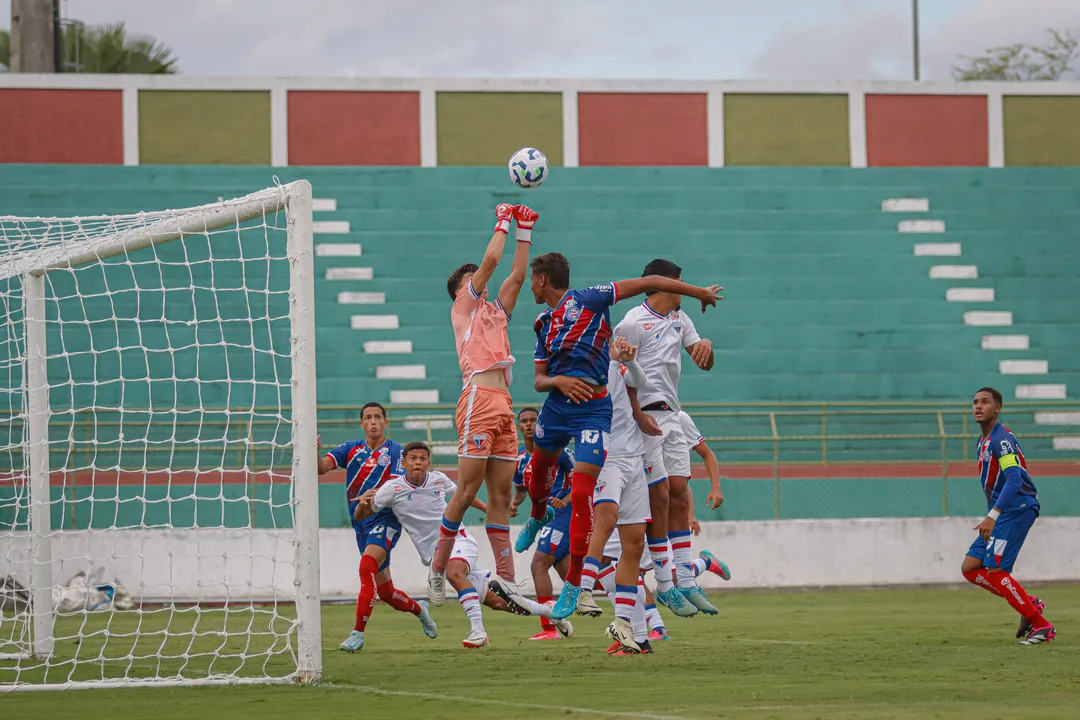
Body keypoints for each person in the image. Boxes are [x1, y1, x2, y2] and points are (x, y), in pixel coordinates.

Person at [520, 251, 721, 619]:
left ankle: (666, 589)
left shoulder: (666, 319)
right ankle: (589, 576)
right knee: (610, 513)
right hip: (608, 423)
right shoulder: (618, 324)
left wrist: (702, 344)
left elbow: (677, 366)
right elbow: (614, 374)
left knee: (665, 501)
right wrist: (631, 405)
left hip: (653, 423)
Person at [355, 442, 573, 648]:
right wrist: (362, 504)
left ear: (429, 463)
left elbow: (465, 496)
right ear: (404, 463)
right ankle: (551, 613)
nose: (418, 462)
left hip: (459, 540)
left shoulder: (438, 480)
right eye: (413, 458)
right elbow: (363, 513)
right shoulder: (391, 489)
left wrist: (490, 510)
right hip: (435, 554)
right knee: (498, 602)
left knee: (453, 572)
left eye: (423, 458)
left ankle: (478, 632)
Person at [427, 204, 537, 606]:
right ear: (461, 288)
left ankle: (506, 579)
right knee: (467, 488)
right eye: (471, 278)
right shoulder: (463, 309)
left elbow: (518, 275)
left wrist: (524, 229)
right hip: (477, 398)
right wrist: (503, 219)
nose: (480, 280)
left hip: (503, 402)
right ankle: (438, 569)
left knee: (501, 496)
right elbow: (493, 259)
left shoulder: (495, 312)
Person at [615, 258, 720, 615]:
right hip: (644, 418)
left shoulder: (681, 318)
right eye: (679, 283)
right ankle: (665, 582)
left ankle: (687, 580)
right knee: (658, 495)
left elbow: (702, 362)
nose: (682, 290)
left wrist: (706, 345)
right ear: (662, 285)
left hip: (673, 415)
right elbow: (620, 372)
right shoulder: (632, 322)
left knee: (678, 492)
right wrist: (636, 413)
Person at [317, 402, 436, 653]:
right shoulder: (350, 449)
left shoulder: (396, 452)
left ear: (385, 423)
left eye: (378, 417)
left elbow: (393, 489)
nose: (373, 421)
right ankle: (419, 609)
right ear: (362, 424)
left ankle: (357, 634)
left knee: (366, 566)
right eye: (368, 418)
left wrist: (372, 498)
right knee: (386, 593)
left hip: (385, 519)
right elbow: (321, 468)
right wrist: (313, 452)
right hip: (360, 522)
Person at [569, 337, 653, 653]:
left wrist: (628, 360)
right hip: (604, 456)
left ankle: (625, 626)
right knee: (605, 520)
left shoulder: (618, 365)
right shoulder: (581, 373)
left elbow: (640, 381)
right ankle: (584, 589)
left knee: (634, 543)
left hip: (633, 459)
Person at [962, 387, 1055, 645]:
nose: (978, 406)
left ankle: (1042, 626)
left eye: (985, 402)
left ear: (998, 408)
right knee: (970, 568)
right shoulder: (983, 441)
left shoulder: (1001, 439)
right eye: (975, 402)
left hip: (1017, 510)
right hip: (1002, 513)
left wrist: (993, 515)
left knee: (995, 569)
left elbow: (1014, 479)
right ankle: (1029, 604)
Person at [508, 407, 576, 640]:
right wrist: (514, 504)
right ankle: (627, 592)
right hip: (543, 517)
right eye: (524, 421)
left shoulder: (558, 450)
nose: (528, 424)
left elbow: (582, 476)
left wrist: (565, 499)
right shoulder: (519, 458)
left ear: (540, 424)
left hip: (563, 515)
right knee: (570, 573)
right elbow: (520, 488)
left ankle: (548, 627)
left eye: (533, 420)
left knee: (538, 565)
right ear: (518, 426)